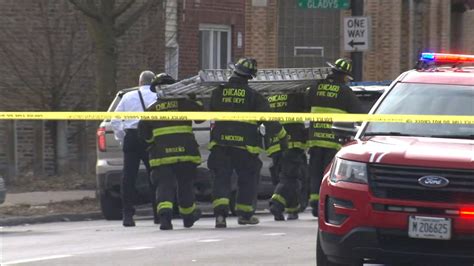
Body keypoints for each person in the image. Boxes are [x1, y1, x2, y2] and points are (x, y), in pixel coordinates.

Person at [208, 57, 287, 228]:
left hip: (220, 145)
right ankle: (244, 215)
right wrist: (282, 136)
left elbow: (204, 114)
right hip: (245, 147)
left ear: (234, 72)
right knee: (248, 179)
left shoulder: (218, 92)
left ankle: (220, 216)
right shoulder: (254, 96)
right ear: (250, 77)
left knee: (221, 179)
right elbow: (270, 120)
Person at [138, 73, 203, 230]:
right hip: (185, 153)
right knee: (185, 185)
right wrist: (194, 98)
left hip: (161, 155)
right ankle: (188, 216)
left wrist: (152, 143)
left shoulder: (151, 109)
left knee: (164, 186)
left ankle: (165, 218)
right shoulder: (184, 104)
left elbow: (143, 133)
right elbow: (201, 117)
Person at [305, 58, 363, 217]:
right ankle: (324, 204)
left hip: (315, 139)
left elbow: (305, 106)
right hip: (334, 140)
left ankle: (315, 203)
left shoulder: (315, 88)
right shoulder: (345, 92)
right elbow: (359, 116)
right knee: (328, 175)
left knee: (315, 172)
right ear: (344, 76)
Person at [111, 70, 158, 227]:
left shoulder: (128, 96)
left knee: (128, 177)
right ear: (153, 83)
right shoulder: (157, 96)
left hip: (131, 137)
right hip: (150, 138)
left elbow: (115, 120)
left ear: (139, 82)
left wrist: (122, 137)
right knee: (155, 175)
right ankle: (158, 213)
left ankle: (128, 215)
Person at [266, 91, 308, 221]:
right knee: (290, 178)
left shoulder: (271, 97)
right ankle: (276, 204)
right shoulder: (296, 96)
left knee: (286, 178)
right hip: (291, 143)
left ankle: (292, 210)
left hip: (274, 144)